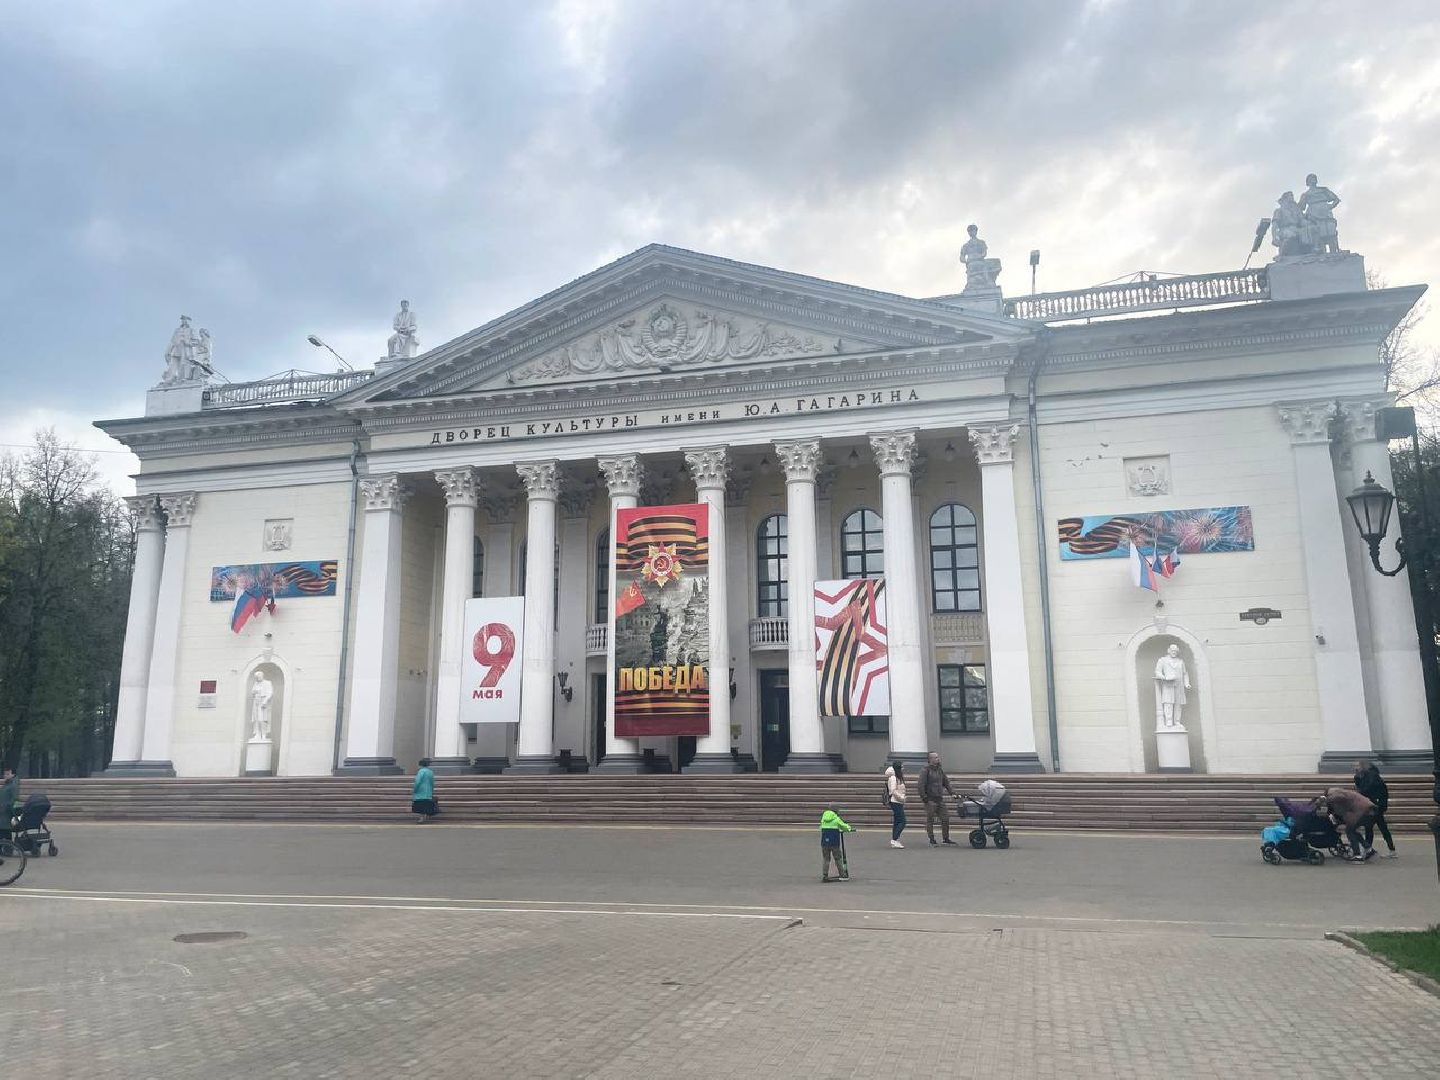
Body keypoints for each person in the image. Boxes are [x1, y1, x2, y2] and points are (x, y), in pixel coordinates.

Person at [1320, 785, 1377, 862]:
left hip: (1363, 811)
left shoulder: (1333, 792)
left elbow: (1340, 797)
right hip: (1368, 810)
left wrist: (1325, 799)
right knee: (1352, 830)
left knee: (1349, 831)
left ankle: (1358, 855)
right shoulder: (1340, 791)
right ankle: (1368, 849)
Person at [1353, 759, 1396, 858]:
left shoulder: (1372, 776)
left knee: (1370, 827)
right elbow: (1360, 789)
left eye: (1357, 766)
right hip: (1371, 805)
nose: (1355, 768)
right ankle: (1390, 850)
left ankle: (1368, 850)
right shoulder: (1360, 776)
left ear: (1363, 766)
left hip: (1376, 805)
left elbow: (1368, 790)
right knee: (1381, 827)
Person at [919, 751, 958, 846]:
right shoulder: (925, 771)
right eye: (935, 757)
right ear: (930, 759)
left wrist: (952, 793)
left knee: (945, 818)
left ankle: (946, 838)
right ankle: (931, 839)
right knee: (930, 820)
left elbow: (946, 782)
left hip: (939, 799)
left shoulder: (940, 770)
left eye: (937, 757)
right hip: (930, 799)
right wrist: (925, 798)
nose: (938, 759)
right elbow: (921, 785)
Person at [819, 804, 854, 883]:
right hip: (834, 842)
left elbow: (820, 827)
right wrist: (849, 828)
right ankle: (842, 874)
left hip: (824, 842)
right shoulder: (836, 819)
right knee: (838, 858)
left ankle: (825, 875)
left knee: (826, 859)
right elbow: (843, 826)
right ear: (836, 810)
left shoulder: (823, 818)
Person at [884, 760, 907, 848]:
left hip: (897, 801)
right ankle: (894, 839)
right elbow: (893, 791)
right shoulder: (893, 778)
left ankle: (895, 840)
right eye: (901, 767)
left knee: (897, 821)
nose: (903, 769)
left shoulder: (896, 777)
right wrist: (901, 797)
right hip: (896, 801)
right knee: (903, 821)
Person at [411, 759, 437, 823]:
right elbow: (432, 782)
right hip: (428, 791)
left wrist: (415, 789)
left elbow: (418, 781)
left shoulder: (421, 771)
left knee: (421, 805)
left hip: (421, 791)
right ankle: (426, 816)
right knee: (426, 804)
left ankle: (421, 818)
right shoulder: (430, 772)